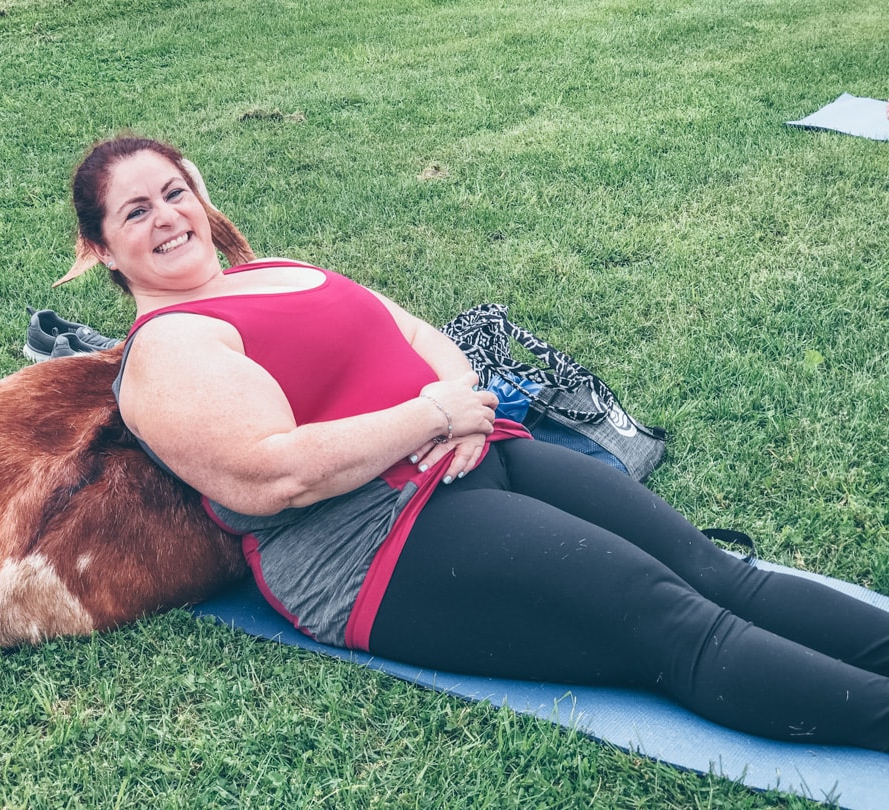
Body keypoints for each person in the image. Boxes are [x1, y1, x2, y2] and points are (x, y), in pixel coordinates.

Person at [63, 133, 889, 752]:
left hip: (476, 453)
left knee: (721, 574)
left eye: (175, 192)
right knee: (676, 626)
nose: (169, 217)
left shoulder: (274, 269)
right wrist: (432, 417)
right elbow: (271, 476)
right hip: (373, 541)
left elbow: (419, 333)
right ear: (99, 249)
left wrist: (458, 404)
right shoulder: (169, 350)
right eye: (137, 212)